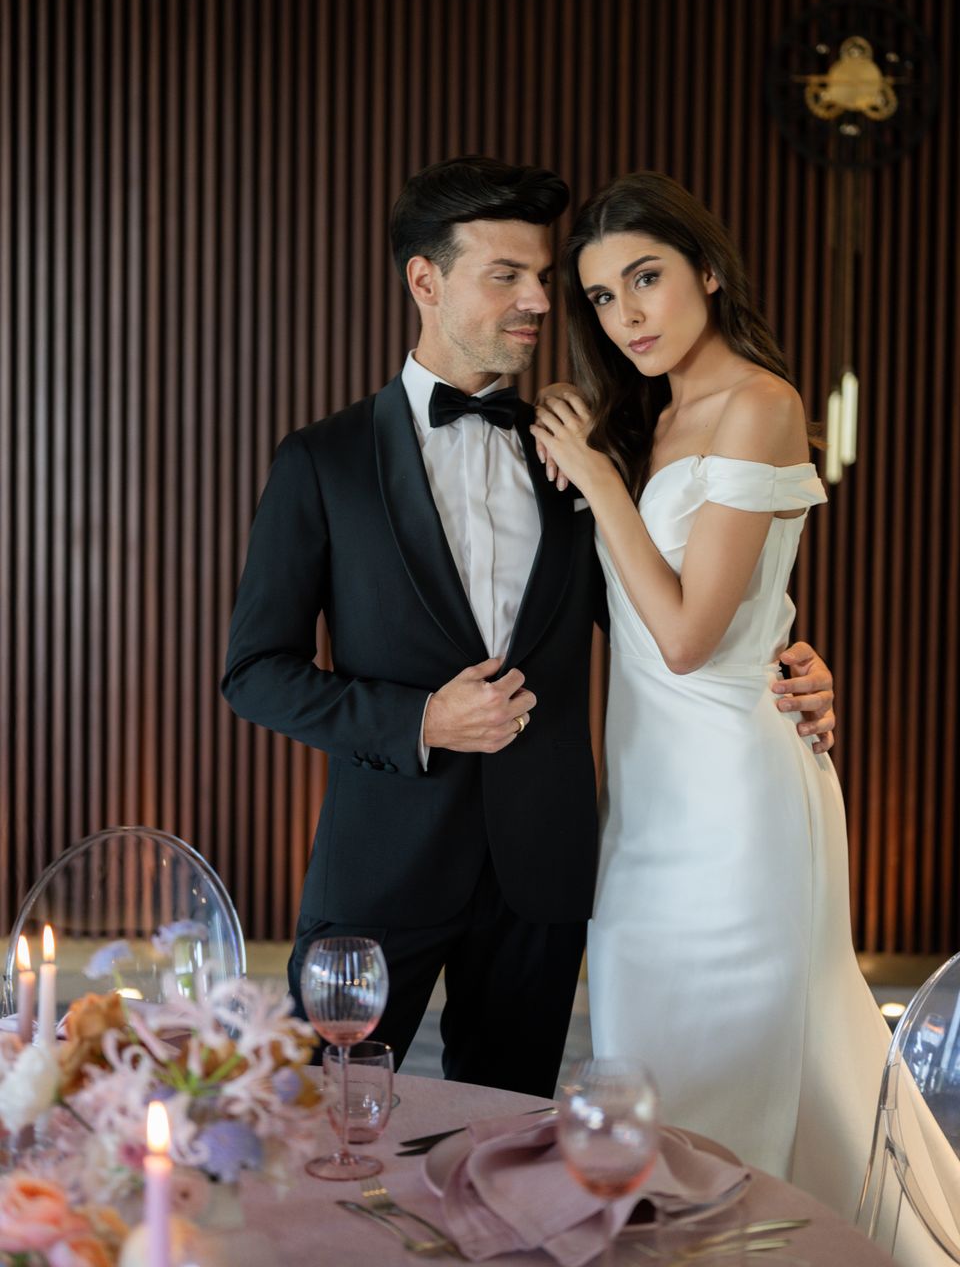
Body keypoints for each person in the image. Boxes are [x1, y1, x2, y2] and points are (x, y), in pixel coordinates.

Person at [221, 156, 836, 1099]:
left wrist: (788, 657)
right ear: (426, 282)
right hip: (379, 873)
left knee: (507, 1164)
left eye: (545, 278)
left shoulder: (585, 457)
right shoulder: (323, 462)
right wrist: (421, 719)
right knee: (315, 1137)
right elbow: (256, 672)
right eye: (505, 276)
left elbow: (660, 611)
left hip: (542, 881)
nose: (539, 302)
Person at [530, 170, 893, 1215]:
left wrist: (597, 479)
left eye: (646, 277)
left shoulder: (762, 404)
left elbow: (688, 637)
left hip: (739, 804)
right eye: (601, 296)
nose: (626, 313)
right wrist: (598, 448)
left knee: (751, 1080)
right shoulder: (644, 416)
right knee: (655, 1074)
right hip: (645, 805)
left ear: (711, 272)